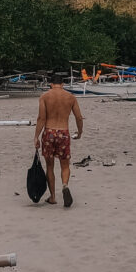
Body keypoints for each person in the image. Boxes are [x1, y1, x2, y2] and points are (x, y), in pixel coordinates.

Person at [34, 72, 84, 207]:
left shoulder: (44, 97)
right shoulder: (70, 97)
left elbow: (41, 119)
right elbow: (79, 117)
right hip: (64, 133)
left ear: (50, 84)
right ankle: (65, 185)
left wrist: (36, 137)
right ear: (62, 84)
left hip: (49, 133)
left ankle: (53, 197)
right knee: (65, 165)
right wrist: (79, 132)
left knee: (50, 166)